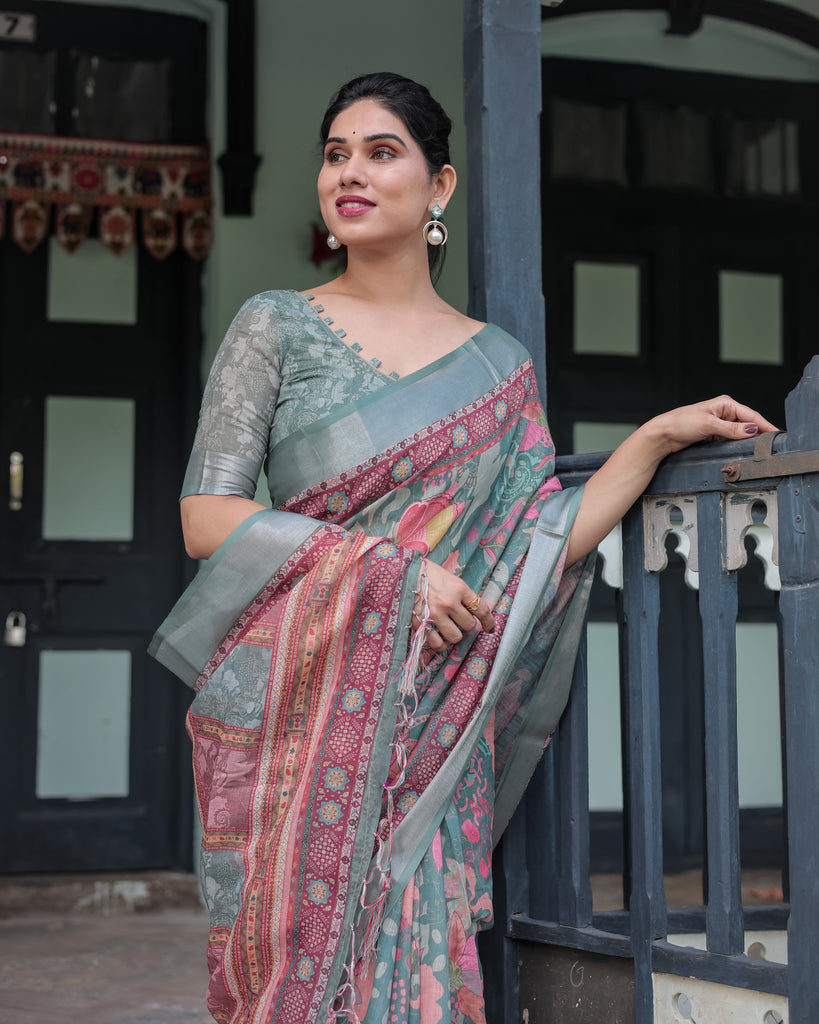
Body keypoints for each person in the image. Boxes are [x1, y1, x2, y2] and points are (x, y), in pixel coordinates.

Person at [150, 72, 775, 1024]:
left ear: (439, 187)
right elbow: (207, 516)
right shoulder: (273, 324)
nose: (348, 173)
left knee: (418, 950)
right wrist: (390, 572)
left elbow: (539, 540)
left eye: (380, 151)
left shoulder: (497, 366)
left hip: (435, 724)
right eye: (334, 153)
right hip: (299, 709)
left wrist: (651, 438)